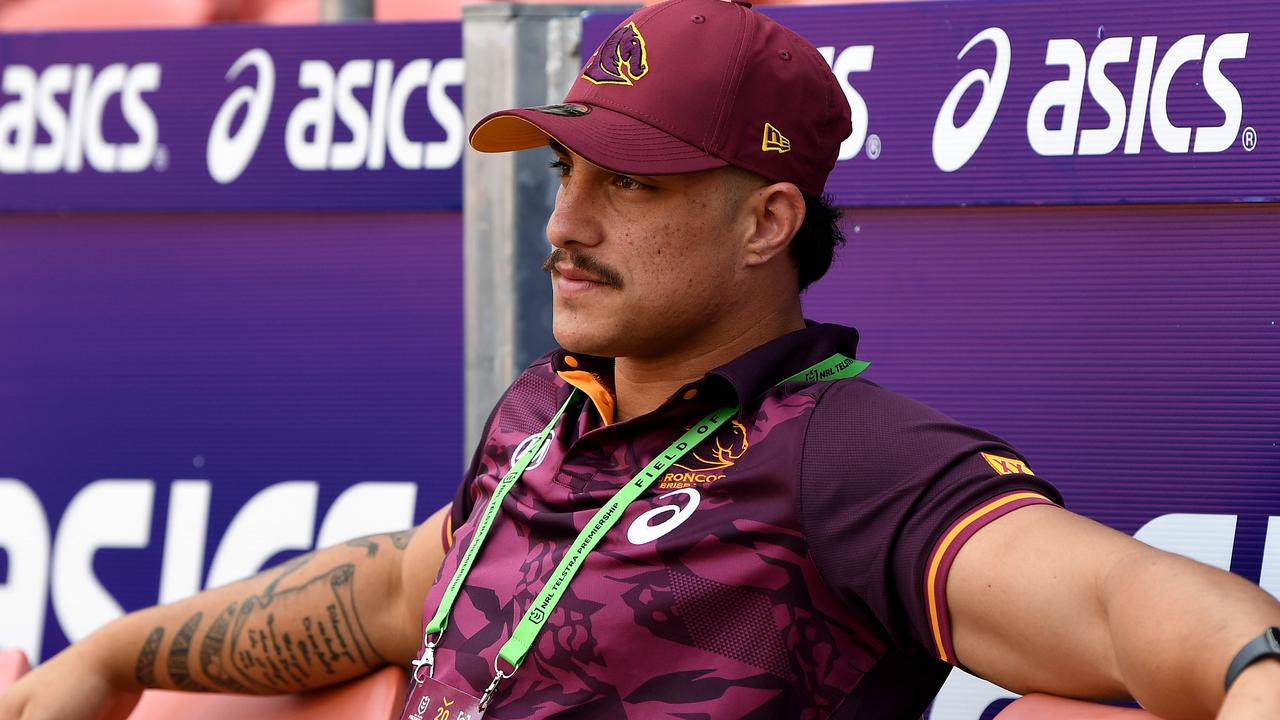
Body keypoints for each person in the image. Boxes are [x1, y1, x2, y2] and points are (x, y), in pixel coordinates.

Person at [3, 0, 1279, 717]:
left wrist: (1249, 672)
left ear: (766, 221)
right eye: (566, 172)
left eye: (631, 184)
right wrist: (110, 662)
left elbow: (1145, 613)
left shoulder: (843, 455)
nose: (561, 224)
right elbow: (408, 586)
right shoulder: (543, 412)